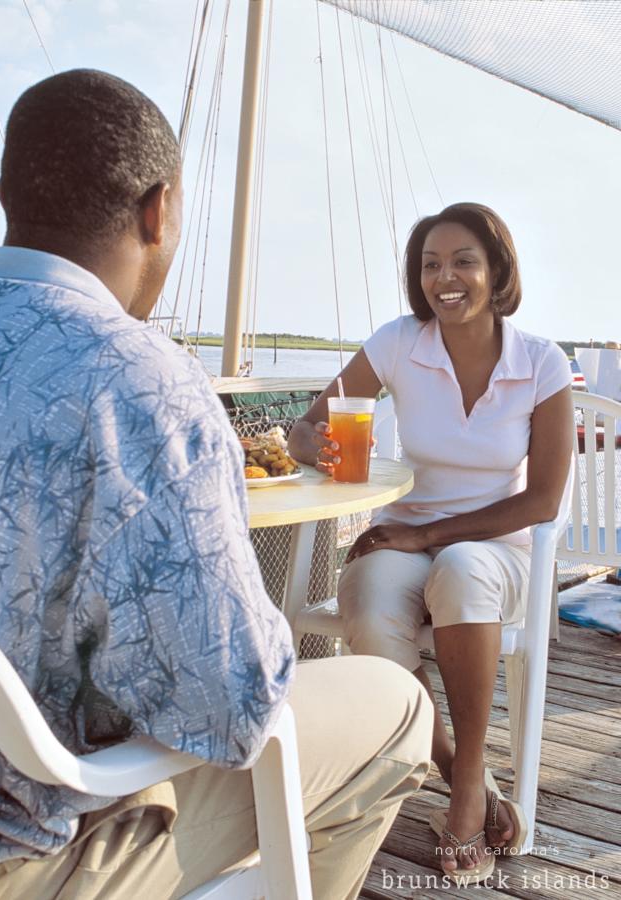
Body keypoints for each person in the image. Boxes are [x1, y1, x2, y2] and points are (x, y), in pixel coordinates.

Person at [0, 69, 431, 898]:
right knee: (395, 706)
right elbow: (235, 711)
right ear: (159, 210)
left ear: (7, 193)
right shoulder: (141, 383)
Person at [289, 202, 574, 885]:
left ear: (497, 271)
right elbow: (306, 427)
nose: (445, 278)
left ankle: (468, 779)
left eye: (463, 261)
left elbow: (541, 501)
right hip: (404, 534)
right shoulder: (398, 343)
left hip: (496, 549)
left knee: (463, 567)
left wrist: (429, 532)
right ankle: (461, 776)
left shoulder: (542, 363)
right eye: (430, 264)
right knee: (373, 604)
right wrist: (324, 452)